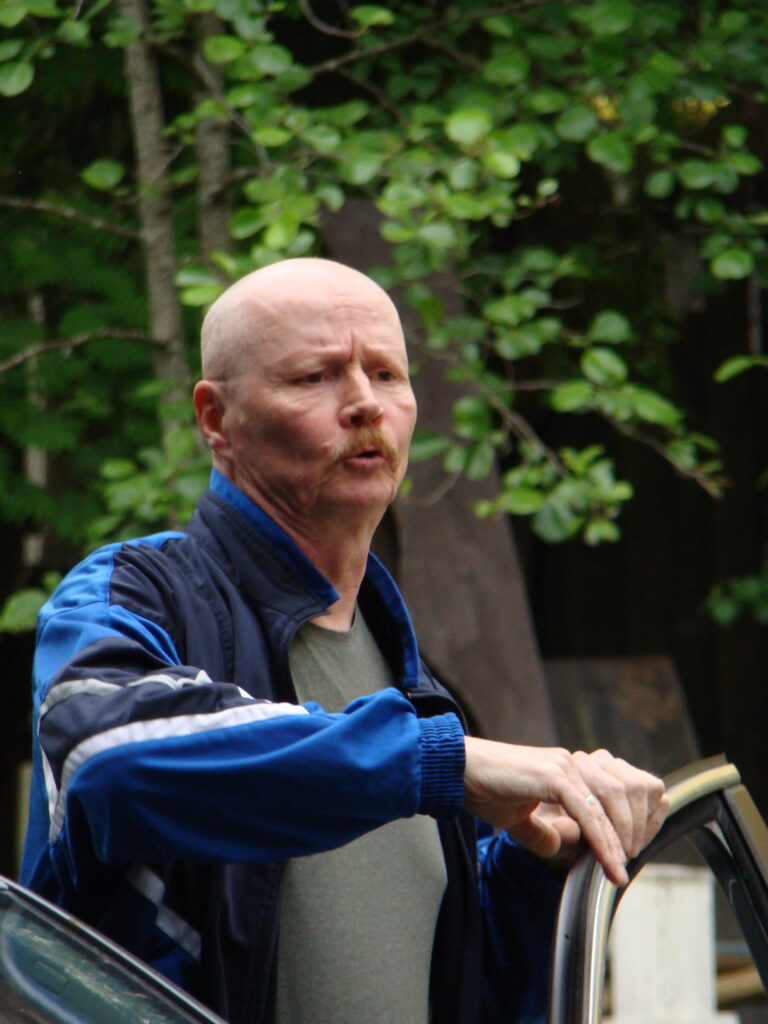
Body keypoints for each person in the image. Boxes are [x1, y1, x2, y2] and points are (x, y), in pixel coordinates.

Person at [21, 258, 668, 1024]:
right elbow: (106, 763)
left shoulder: (414, 682)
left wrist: (541, 866)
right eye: (314, 377)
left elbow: (451, 981)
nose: (365, 403)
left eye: (387, 374)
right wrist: (440, 762)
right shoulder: (133, 593)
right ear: (216, 420)